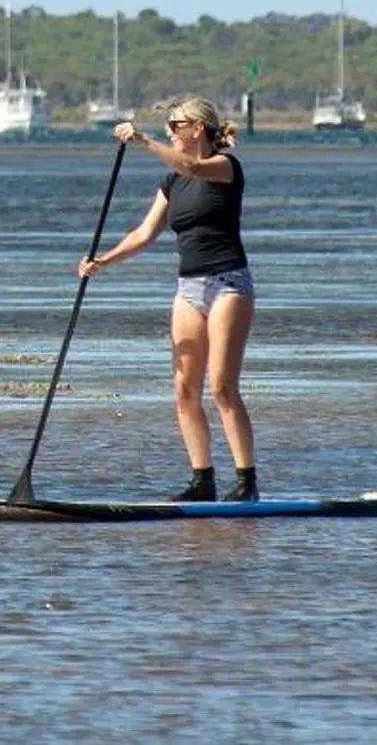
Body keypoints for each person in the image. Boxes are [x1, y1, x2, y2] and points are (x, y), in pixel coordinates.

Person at [77, 93, 258, 502]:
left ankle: (246, 482)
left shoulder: (225, 167)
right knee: (183, 390)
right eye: (166, 129)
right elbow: (144, 235)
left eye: (174, 127)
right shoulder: (172, 182)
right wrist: (102, 261)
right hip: (189, 288)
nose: (169, 134)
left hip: (228, 282)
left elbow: (192, 164)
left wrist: (142, 142)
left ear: (198, 129)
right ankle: (202, 480)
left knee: (222, 388)